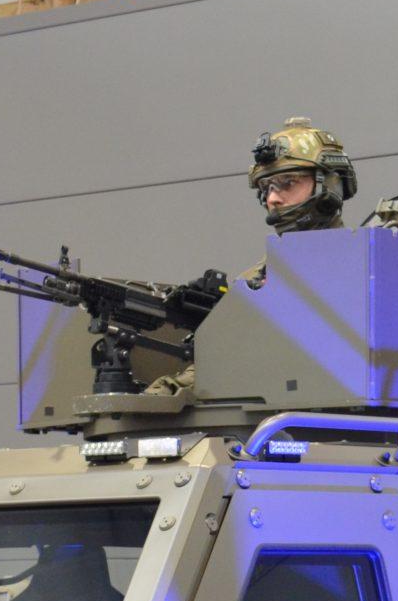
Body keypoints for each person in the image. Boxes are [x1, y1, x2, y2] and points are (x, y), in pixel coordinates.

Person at [145, 117, 358, 398]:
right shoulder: (258, 277)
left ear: (329, 184)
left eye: (288, 183)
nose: (273, 199)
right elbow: (227, 363)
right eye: (267, 188)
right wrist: (171, 390)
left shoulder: (365, 268)